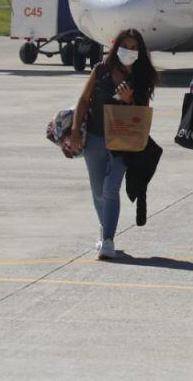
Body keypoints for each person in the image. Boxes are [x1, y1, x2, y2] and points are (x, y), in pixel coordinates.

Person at [70, 29, 159, 259]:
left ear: (140, 52)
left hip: (124, 142)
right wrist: (75, 131)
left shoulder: (142, 78)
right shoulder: (101, 70)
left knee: (111, 188)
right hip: (96, 137)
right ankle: (104, 227)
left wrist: (130, 101)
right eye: (125, 45)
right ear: (116, 46)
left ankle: (108, 239)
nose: (128, 51)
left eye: (133, 47)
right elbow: (83, 100)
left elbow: (143, 114)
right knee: (99, 191)